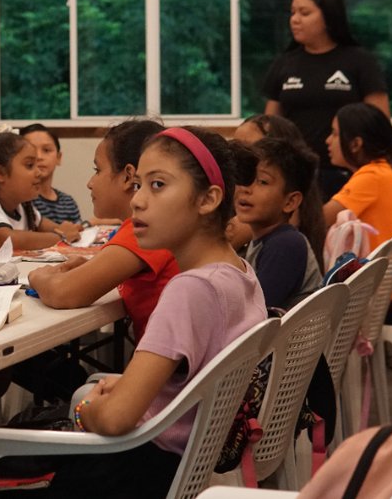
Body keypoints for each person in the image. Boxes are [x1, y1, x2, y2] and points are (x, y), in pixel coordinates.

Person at [22, 127, 266, 497]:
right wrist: (128, 389)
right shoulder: (240, 275)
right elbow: (189, 384)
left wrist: (84, 409)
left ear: (208, 199)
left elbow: (115, 420)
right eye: (138, 185)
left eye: (157, 185)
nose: (137, 201)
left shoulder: (189, 289)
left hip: (141, 472)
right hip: (183, 467)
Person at [26, 119, 178, 339]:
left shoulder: (147, 229)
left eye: (97, 170)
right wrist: (92, 268)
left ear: (128, 177)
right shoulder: (162, 222)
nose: (90, 183)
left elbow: (63, 293)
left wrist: (38, 276)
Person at [261, 0, 389, 201]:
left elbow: (380, 123)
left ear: (328, 17)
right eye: (292, 12)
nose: (295, 19)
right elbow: (269, 124)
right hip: (295, 174)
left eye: (304, 13)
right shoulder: (285, 63)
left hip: (347, 173)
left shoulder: (359, 61)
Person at [324, 103, 392, 324]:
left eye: (335, 134)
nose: (328, 141)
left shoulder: (371, 176)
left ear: (356, 144)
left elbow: (319, 220)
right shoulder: (381, 172)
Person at [236, 137, 323, 310]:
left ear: (290, 202)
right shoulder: (266, 240)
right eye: (246, 177)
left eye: (262, 181)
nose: (246, 188)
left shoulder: (286, 245)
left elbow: (256, 312)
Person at [0, 132, 82, 251]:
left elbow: (49, 226)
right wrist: (61, 237)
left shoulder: (21, 205)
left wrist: (65, 229)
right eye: (29, 165)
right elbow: (8, 240)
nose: (39, 173)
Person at [19, 123, 83, 225]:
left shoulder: (68, 202)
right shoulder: (21, 199)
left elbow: (78, 233)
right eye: (32, 150)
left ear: (58, 157)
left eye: (46, 150)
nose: (39, 157)